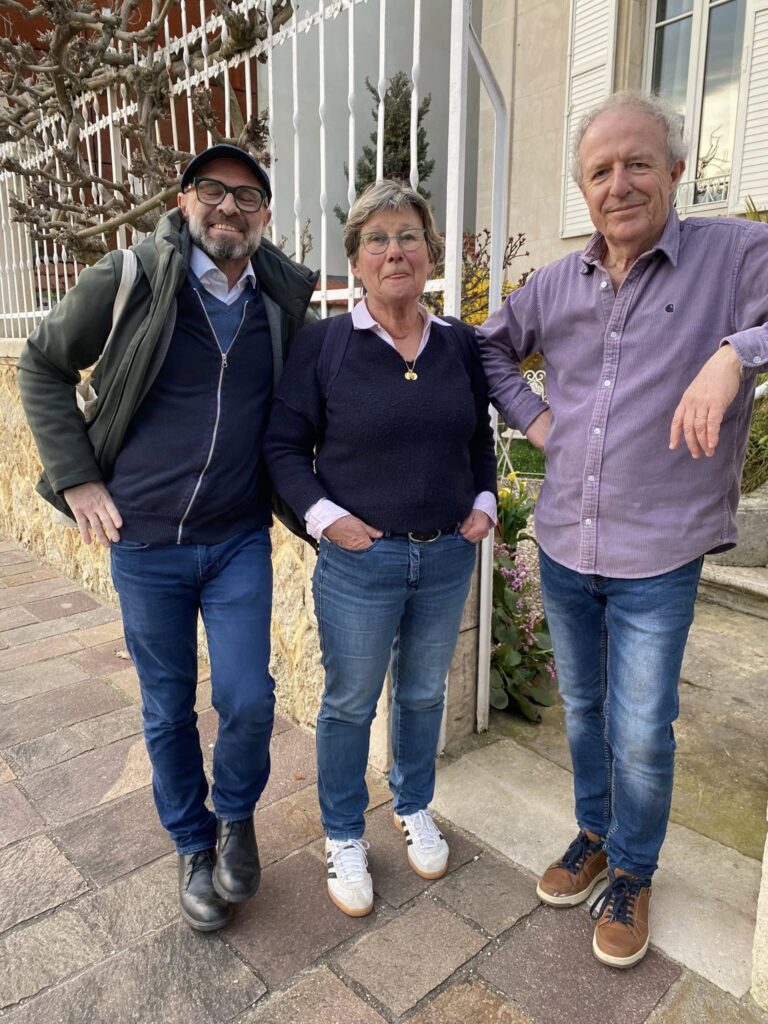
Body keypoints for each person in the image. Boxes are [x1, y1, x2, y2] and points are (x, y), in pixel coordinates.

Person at [478, 91, 768, 969]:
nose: (620, 184)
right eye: (600, 171)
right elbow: (489, 348)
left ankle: (635, 871)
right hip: (566, 540)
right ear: (583, 188)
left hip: (659, 552)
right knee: (585, 710)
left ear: (675, 170)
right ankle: (597, 836)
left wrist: (736, 354)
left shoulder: (734, 254)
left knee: (642, 727)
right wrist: (537, 422)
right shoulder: (556, 284)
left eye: (638, 163)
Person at [18, 143, 318, 932]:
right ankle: (192, 844)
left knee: (248, 697)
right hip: (146, 544)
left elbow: (320, 402)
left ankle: (236, 818)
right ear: (183, 202)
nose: (228, 208)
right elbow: (41, 364)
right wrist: (76, 478)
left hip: (237, 539)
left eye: (247, 197)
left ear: (264, 216)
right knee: (167, 705)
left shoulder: (282, 302)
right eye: (211, 191)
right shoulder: (131, 278)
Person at [264, 180, 497, 917]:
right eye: (377, 239)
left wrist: (485, 499)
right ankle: (342, 833)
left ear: (430, 252)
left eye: (409, 236)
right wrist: (326, 519)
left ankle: (413, 803)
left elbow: (476, 437)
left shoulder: (459, 343)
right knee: (349, 703)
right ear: (357, 259)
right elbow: (282, 447)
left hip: (447, 556)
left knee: (424, 692)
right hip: (361, 563)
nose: (395, 251)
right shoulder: (325, 344)